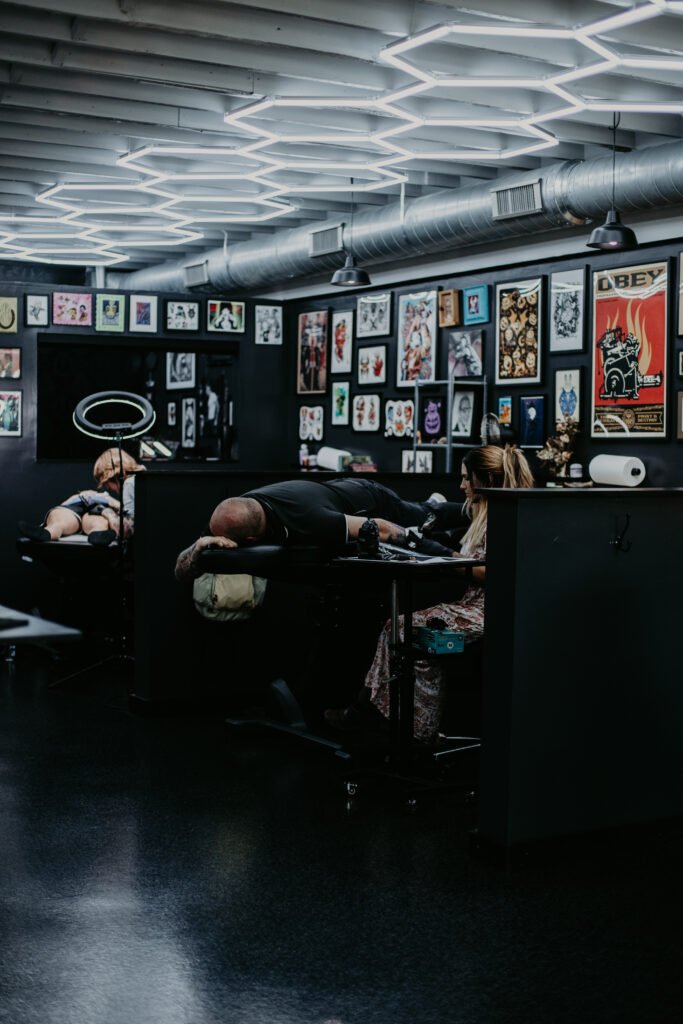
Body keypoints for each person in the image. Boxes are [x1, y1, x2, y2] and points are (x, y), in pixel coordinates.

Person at [325, 445, 534, 744]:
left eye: (466, 478)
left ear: (485, 479)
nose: (461, 485)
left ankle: (403, 726)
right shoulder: (483, 513)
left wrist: (443, 554)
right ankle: (383, 717)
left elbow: (490, 572)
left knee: (401, 629)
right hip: (473, 606)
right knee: (398, 629)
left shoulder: (502, 518)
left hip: (488, 611)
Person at [174, 477, 467, 581]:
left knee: (423, 518)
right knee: (425, 523)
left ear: (251, 538)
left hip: (370, 500)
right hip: (330, 498)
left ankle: (476, 511)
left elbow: (381, 529)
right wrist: (199, 548)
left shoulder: (306, 519)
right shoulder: (232, 514)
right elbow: (180, 571)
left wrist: (455, 559)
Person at [18, 448, 144, 546]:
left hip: (93, 510)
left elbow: (129, 527)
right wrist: (81, 497)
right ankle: (96, 532)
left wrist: (107, 506)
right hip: (78, 508)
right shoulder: (141, 480)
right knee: (86, 523)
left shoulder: (129, 484)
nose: (108, 488)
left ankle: (50, 531)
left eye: (106, 483)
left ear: (112, 474)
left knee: (64, 523)